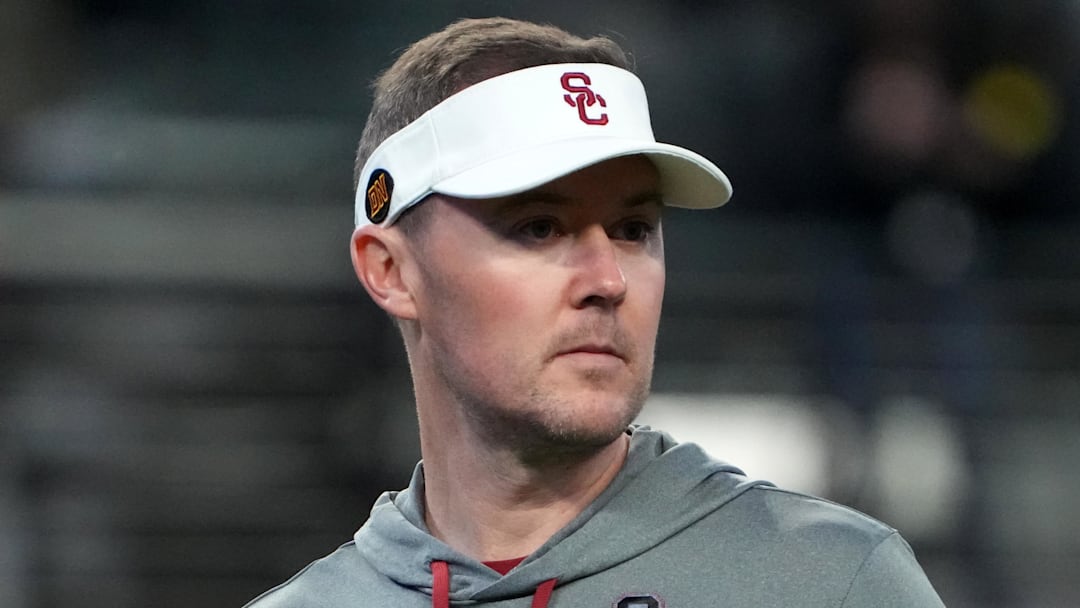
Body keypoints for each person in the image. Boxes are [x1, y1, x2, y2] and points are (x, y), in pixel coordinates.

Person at [245, 16, 945, 608]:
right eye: (539, 227)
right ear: (391, 271)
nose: (607, 279)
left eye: (633, 230)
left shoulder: (835, 585)